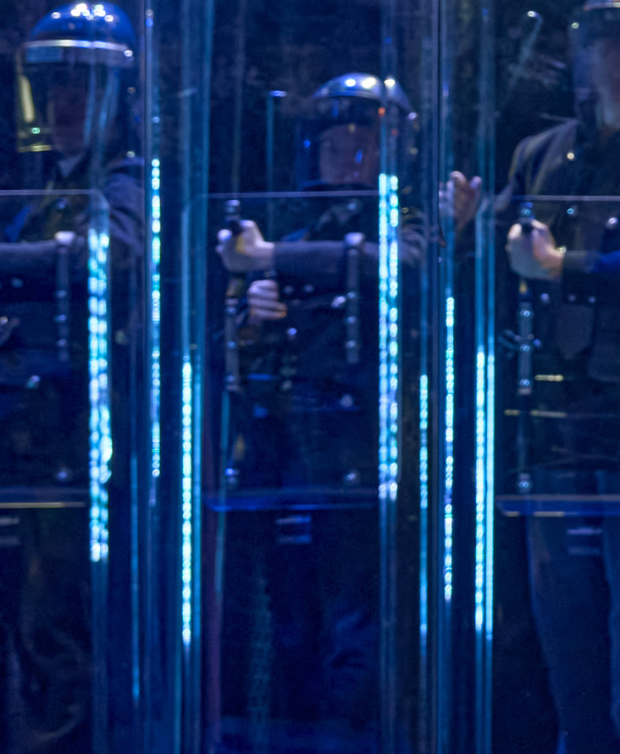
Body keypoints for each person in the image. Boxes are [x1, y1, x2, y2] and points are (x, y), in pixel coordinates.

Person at [0, 0, 146, 754]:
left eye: (82, 84)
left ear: (118, 95)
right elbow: (8, 307)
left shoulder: (126, 186)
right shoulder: (51, 193)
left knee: (58, 625)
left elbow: (111, 255)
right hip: (25, 444)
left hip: (79, 445)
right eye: (53, 85)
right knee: (29, 625)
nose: (63, 103)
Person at [487, 0, 620, 754]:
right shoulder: (542, 153)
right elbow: (500, 255)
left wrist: (564, 265)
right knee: (562, 611)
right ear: (584, 50)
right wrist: (473, 228)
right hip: (555, 415)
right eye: (610, 38)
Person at [214, 71, 428, 739]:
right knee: (290, 615)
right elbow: (241, 342)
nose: (346, 156)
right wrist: (250, 313)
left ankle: (349, 737)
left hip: (361, 446)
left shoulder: (407, 222)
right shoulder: (302, 225)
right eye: (334, 142)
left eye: (363, 142)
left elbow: (398, 264)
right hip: (286, 446)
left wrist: (271, 258)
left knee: (354, 614)